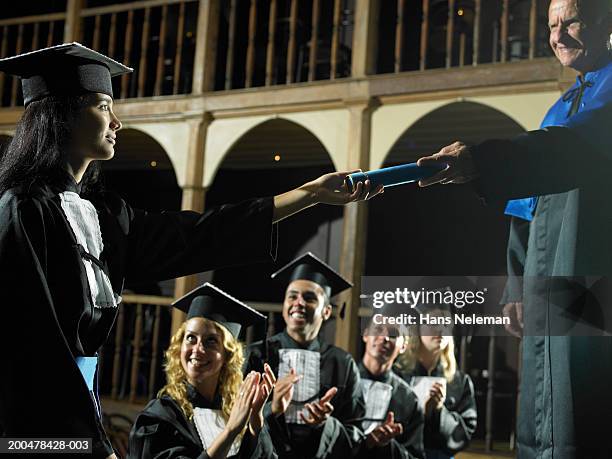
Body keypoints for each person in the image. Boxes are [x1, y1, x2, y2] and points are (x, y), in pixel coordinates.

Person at [0, 43, 382, 458]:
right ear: (63, 115)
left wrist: (309, 195)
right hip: (29, 423)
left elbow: (198, 234)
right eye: (103, 106)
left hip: (78, 409)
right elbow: (36, 344)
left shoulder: (104, 215)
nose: (117, 121)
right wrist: (91, 446)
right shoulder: (21, 211)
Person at [416, 1, 611, 456]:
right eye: (551, 26)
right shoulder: (559, 107)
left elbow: (569, 151)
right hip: (547, 277)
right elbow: (525, 209)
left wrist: (480, 161)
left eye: (571, 22)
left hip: (590, 271)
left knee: (581, 406)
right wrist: (516, 284)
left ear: (605, 22)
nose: (558, 36)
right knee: (542, 407)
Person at [128, 283, 278, 458]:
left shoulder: (235, 410)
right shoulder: (162, 416)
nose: (198, 349)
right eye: (191, 338)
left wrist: (255, 425)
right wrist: (230, 431)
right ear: (180, 347)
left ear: (228, 356)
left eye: (211, 341)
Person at [244, 252, 365, 459]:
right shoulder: (257, 355)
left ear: (326, 311)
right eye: (292, 296)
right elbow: (233, 420)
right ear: (284, 306)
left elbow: (356, 435)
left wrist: (326, 424)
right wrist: (271, 409)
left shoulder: (342, 363)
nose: (298, 302)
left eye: (309, 298)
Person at [397, 306, 476, 459]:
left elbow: (465, 434)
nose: (440, 329)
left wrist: (440, 411)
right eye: (433, 322)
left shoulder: (459, 381)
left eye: (445, 323)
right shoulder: (398, 375)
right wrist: (421, 413)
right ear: (417, 328)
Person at [357, 320, 424, 459]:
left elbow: (414, 455)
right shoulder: (342, 381)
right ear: (365, 335)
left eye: (393, 334)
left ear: (404, 346)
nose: (384, 338)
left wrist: (387, 444)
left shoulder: (409, 399)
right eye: (378, 330)